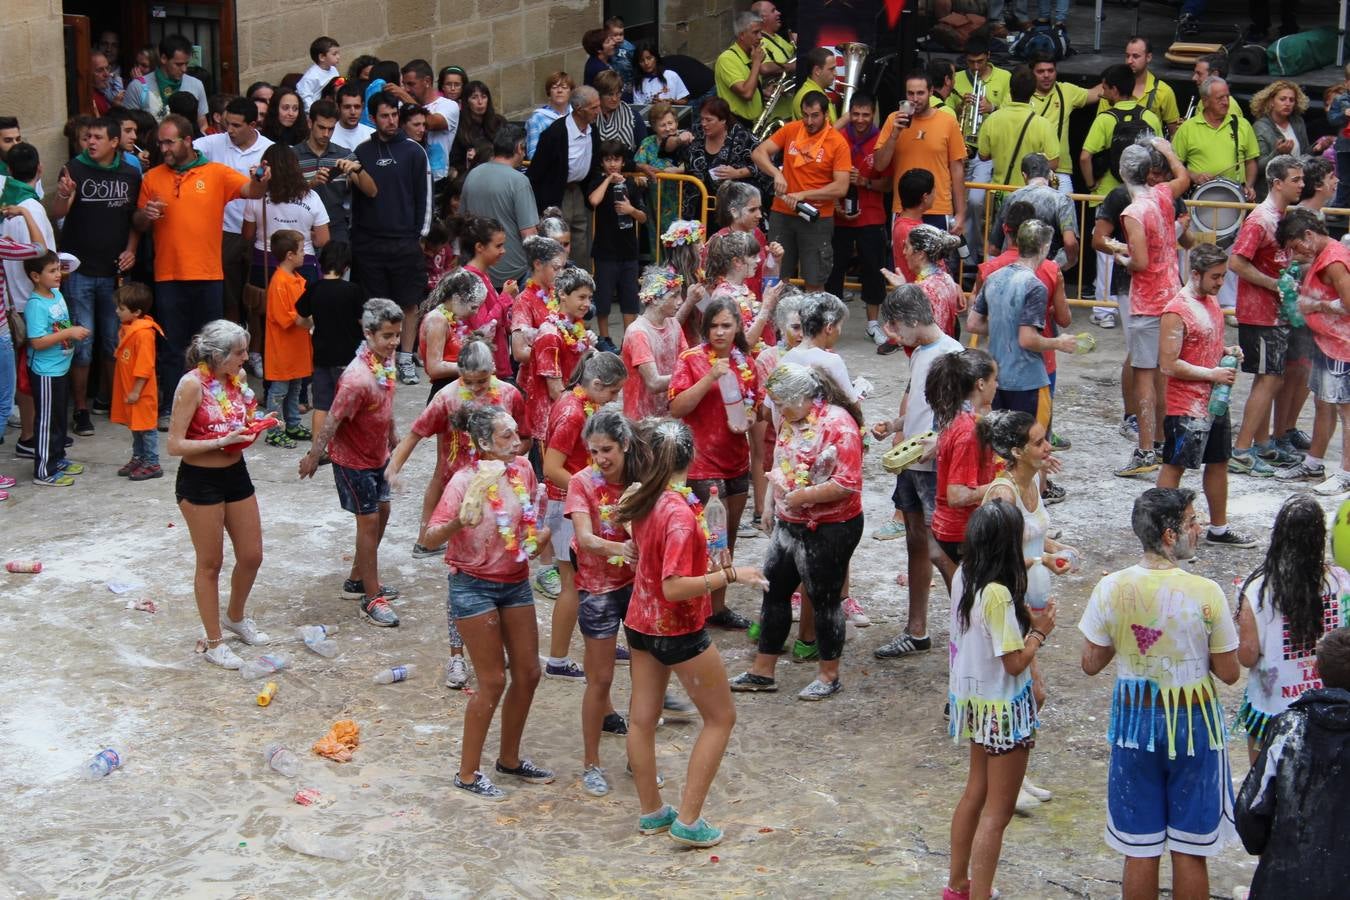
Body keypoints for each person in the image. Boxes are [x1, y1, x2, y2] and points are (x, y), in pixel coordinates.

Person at [1079, 487, 1240, 900]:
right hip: (1194, 728)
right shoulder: (1207, 593)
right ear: (1170, 535)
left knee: (1139, 848)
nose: (1199, 528)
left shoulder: (1110, 588)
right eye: (1191, 521)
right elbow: (1229, 673)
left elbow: (1091, 663)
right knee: (1189, 848)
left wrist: (1129, 632)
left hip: (1134, 726)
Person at [616, 417, 764, 847]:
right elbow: (674, 587)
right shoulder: (678, 511)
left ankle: (651, 811)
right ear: (691, 458)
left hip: (641, 623)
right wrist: (732, 576)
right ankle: (689, 819)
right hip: (675, 628)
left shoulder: (647, 498)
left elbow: (649, 558)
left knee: (642, 719)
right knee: (721, 718)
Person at [423, 403, 555, 802]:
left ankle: (510, 759)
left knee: (529, 672)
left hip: (514, 583)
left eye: (517, 434)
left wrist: (537, 542)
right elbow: (429, 538)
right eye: (506, 437)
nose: (518, 442)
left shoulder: (524, 472)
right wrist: (457, 523)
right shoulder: (463, 482)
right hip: (473, 586)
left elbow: (529, 530)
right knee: (493, 679)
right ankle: (467, 773)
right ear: (483, 443)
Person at [730, 363, 864, 700]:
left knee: (824, 598)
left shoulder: (838, 425)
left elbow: (847, 483)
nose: (778, 410)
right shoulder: (791, 422)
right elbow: (780, 466)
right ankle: (763, 670)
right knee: (773, 590)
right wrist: (771, 507)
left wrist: (805, 496)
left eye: (782, 403)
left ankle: (829, 674)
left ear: (805, 397)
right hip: (790, 522)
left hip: (831, 526)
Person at [945, 499, 1055, 900]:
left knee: (975, 792)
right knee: (998, 811)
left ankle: (957, 885)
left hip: (974, 703)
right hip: (1005, 710)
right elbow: (1014, 662)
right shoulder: (999, 597)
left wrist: (1035, 565)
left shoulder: (964, 576)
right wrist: (1040, 631)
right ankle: (982, 893)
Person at [132, 114, 269, 427]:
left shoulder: (217, 173)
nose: (163, 148)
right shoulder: (152, 177)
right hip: (168, 276)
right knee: (171, 348)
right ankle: (172, 407)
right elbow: (138, 223)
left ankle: (213, 405)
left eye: (169, 142)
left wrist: (262, 178)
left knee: (211, 348)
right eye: (160, 142)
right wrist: (146, 215)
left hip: (208, 276)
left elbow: (253, 191)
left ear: (187, 141)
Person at [298, 298, 405, 628]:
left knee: (383, 512)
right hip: (353, 460)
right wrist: (314, 456)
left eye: (398, 335)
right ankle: (371, 597)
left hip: (378, 455)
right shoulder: (356, 378)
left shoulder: (386, 364)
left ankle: (358, 579)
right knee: (369, 520)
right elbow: (332, 419)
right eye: (387, 336)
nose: (394, 343)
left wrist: (393, 437)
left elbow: (385, 406)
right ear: (368, 333)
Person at [167, 320, 267, 668]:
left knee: (252, 555)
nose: (245, 357)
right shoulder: (192, 385)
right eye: (240, 352)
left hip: (235, 474)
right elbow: (174, 444)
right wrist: (220, 442)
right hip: (200, 481)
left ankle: (234, 616)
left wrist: (256, 426)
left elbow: (234, 424)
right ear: (220, 355)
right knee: (211, 563)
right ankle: (213, 641)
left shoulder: (234, 382)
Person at [873, 284, 964, 658]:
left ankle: (970, 628)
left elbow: (968, 417)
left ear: (912, 320)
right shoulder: (922, 352)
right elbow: (924, 409)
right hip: (914, 462)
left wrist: (939, 445)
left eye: (895, 327)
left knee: (941, 549)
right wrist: (896, 426)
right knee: (916, 542)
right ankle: (917, 629)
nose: (893, 337)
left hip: (933, 468)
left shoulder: (952, 355)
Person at [1235, 626, 1350, 897]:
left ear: (1318, 672)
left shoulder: (1290, 726)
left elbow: (1250, 810)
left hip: (1287, 880)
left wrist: (1271, 848)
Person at [1155, 242, 1257, 549]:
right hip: (1186, 405)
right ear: (1196, 274)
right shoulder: (1177, 310)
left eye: (1223, 276)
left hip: (1214, 402)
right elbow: (1168, 364)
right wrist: (1212, 374)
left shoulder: (1211, 302)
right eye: (1216, 277)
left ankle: (1219, 528)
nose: (1220, 283)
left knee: (1219, 462)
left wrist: (1225, 353)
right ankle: (1160, 534)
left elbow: (1203, 346)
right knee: (1174, 467)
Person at [669, 296, 761, 630]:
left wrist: (750, 419)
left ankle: (717, 608)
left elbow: (757, 408)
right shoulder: (691, 359)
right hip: (702, 464)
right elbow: (677, 407)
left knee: (728, 539)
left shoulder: (745, 361)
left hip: (736, 461)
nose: (719, 332)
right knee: (710, 540)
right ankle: (697, 610)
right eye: (713, 325)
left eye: (726, 325)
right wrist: (709, 378)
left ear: (738, 328)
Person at [1234, 495, 1350, 761]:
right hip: (1329, 708)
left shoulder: (1257, 590)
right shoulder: (1342, 581)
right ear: (1320, 538)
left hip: (1272, 709)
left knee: (1266, 791)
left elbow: (1248, 657)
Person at [50, 116, 141, 432]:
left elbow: (134, 221)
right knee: (82, 344)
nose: (90, 142)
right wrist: (63, 194)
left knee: (113, 341)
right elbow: (58, 212)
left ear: (114, 142)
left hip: (115, 273)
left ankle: (109, 399)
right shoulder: (73, 169)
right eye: (88, 137)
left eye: (97, 137)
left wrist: (131, 249)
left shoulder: (130, 173)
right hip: (80, 272)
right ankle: (80, 409)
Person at [541, 352, 628, 683]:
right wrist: (590, 495)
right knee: (571, 584)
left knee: (585, 581)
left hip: (574, 503)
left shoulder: (578, 405)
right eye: (612, 392)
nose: (614, 399)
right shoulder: (573, 413)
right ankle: (558, 660)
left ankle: (603, 644)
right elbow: (551, 468)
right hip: (566, 507)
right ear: (594, 384)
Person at [568, 407, 641, 796]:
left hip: (637, 587)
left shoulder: (641, 478)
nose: (601, 459)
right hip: (597, 588)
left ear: (625, 445)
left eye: (608, 449)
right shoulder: (582, 482)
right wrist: (625, 548)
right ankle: (590, 763)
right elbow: (585, 539)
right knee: (600, 679)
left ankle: (638, 758)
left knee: (644, 679)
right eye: (595, 451)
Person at [1112, 141, 1191, 479]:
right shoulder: (1162, 195)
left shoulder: (1133, 212)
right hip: (1172, 293)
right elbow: (1184, 178)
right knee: (1163, 373)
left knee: (1146, 376)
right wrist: (1168, 150)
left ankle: (1146, 449)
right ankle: (1159, 441)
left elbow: (1140, 262)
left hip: (1148, 300)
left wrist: (1121, 256)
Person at [1229, 154, 1305, 477]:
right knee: (1268, 380)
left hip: (1275, 313)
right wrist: (1275, 284)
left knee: (1271, 379)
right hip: (1259, 314)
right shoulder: (1260, 219)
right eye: (1296, 180)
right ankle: (1242, 450)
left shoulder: (1282, 216)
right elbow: (1236, 262)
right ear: (1276, 183)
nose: (1302, 185)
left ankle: (1260, 445)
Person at [351, 91, 432, 387]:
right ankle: (379, 362)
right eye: (384, 116)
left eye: (394, 115)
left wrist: (419, 237)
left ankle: (406, 359)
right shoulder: (361, 151)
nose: (391, 120)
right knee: (375, 305)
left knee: (409, 304)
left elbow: (425, 196)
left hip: (405, 241)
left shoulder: (413, 151)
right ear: (372, 119)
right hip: (370, 243)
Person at [967, 220, 1078, 428]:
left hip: (997, 380)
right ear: (1044, 247)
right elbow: (1027, 339)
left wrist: (1004, 326)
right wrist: (1058, 343)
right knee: (1031, 448)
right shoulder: (1035, 286)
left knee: (1002, 450)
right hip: (1027, 381)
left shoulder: (995, 277)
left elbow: (973, 323)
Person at [193, 96, 274, 363]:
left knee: (255, 297)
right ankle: (231, 353)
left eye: (237, 126)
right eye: (227, 124)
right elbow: (186, 148)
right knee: (229, 296)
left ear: (253, 124)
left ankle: (256, 354)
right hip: (225, 232)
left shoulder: (269, 149)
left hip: (261, 232)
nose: (230, 131)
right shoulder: (212, 143)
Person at [1275, 208, 1350, 495]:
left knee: (1346, 411)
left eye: (1296, 247)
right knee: (1323, 403)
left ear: (1308, 235)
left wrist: (1316, 305)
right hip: (1326, 341)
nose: (1296, 254)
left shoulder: (1335, 260)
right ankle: (1313, 463)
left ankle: (1346, 472)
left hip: (1342, 346)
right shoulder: (1323, 256)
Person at [751, 93, 850, 293]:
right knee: (776, 277)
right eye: (805, 115)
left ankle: (812, 323)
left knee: (814, 279)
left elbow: (841, 187)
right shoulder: (792, 129)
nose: (809, 121)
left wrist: (805, 194)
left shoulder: (837, 142)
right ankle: (775, 322)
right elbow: (758, 153)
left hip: (816, 218)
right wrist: (776, 174)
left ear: (826, 115)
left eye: (815, 116)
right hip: (782, 212)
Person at [874, 70, 968, 244]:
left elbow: (957, 169)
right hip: (904, 208)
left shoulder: (948, 122)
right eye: (910, 93)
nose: (915, 98)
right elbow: (879, 165)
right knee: (902, 264)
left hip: (938, 207)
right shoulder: (893, 120)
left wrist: (961, 213)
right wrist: (894, 135)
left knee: (936, 266)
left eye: (920, 93)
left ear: (931, 92)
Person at [927, 348, 998, 572]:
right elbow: (956, 495)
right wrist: (1001, 485)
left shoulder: (959, 416)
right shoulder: (968, 430)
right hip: (963, 529)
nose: (997, 385)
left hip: (956, 526)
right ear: (980, 384)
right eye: (995, 379)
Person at [827, 92, 891, 335]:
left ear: (873, 115)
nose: (861, 119)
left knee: (873, 271)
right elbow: (825, 140)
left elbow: (888, 184)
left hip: (872, 215)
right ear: (848, 114)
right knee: (834, 270)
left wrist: (863, 181)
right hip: (839, 214)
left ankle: (873, 324)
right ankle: (831, 323)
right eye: (855, 114)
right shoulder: (839, 136)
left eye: (866, 115)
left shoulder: (881, 141)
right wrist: (836, 205)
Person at [22, 252, 88, 487]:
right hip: (45, 371)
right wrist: (69, 333)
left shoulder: (56, 294)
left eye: (59, 269)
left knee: (60, 417)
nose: (58, 274)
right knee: (47, 421)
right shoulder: (36, 305)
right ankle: (43, 470)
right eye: (52, 271)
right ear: (35, 276)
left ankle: (57, 458)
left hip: (60, 367)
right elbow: (37, 342)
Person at [521, 265, 597, 461]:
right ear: (563, 295)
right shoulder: (550, 335)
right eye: (581, 297)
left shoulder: (574, 328)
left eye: (589, 298)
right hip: (550, 426)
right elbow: (556, 391)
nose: (587, 304)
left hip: (571, 417)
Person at [296, 241, 365, 448]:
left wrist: (314, 321)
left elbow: (300, 320)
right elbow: (364, 322)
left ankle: (317, 448)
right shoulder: (353, 290)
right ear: (346, 266)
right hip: (348, 359)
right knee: (351, 404)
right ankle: (350, 446)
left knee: (321, 404)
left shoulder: (314, 288)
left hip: (321, 356)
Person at [526, 87, 603, 267]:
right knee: (557, 239)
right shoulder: (554, 134)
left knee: (581, 240)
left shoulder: (593, 130)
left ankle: (580, 280)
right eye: (593, 108)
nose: (598, 112)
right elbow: (536, 172)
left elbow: (599, 159)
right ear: (578, 108)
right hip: (557, 194)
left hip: (579, 191)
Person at [461, 124, 540, 288]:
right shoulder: (519, 181)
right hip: (513, 273)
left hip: (479, 269)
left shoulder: (473, 174)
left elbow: (462, 220)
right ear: (519, 148)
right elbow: (529, 234)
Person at [241, 143, 331, 287]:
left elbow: (247, 234)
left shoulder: (257, 195)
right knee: (302, 309)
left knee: (266, 308)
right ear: (296, 166)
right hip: (303, 264)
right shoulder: (311, 197)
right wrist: (308, 234)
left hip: (264, 264)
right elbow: (323, 240)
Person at [587, 139, 648, 351]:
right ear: (602, 162)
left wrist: (630, 210)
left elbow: (642, 217)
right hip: (605, 251)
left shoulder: (631, 185)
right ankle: (604, 338)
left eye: (616, 159)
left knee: (629, 297)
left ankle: (628, 339)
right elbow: (594, 201)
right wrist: (608, 181)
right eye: (608, 159)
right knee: (603, 297)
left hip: (628, 251)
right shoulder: (597, 182)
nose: (612, 164)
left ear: (623, 161)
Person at [293, 99, 377, 248]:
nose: (326, 134)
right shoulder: (293, 155)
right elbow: (283, 196)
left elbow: (371, 191)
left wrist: (358, 169)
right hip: (300, 228)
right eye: (321, 127)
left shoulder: (344, 154)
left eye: (331, 129)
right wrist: (310, 184)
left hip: (336, 228)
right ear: (309, 123)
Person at [1080, 64, 1165, 202]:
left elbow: (1085, 157)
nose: (1102, 92)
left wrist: (1091, 185)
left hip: (1107, 194)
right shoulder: (1150, 117)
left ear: (1114, 90)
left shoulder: (1104, 119)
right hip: (1142, 196)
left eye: (1105, 88)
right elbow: (1161, 156)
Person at [262, 230, 313, 449]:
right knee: (279, 390)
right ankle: (272, 429)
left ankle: (292, 423)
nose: (305, 254)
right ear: (290, 255)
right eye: (302, 250)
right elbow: (288, 318)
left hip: (297, 347)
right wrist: (312, 320)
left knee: (295, 387)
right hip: (283, 348)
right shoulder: (280, 283)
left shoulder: (295, 279)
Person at [108, 282, 163, 481]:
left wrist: (136, 391)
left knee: (146, 428)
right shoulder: (129, 328)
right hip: (131, 391)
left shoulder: (144, 334)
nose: (117, 311)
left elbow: (144, 368)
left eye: (121, 309)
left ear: (137, 311)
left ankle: (152, 462)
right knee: (136, 427)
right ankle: (139, 457)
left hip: (141, 393)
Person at [1173, 77, 1260, 202]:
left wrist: (1249, 185)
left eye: (1227, 96)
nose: (1226, 102)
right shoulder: (1187, 128)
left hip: (1236, 197)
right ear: (1205, 101)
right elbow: (1174, 164)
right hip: (1199, 198)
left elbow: (1250, 162)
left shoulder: (1243, 125)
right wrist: (1194, 176)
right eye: (1220, 98)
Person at [977, 65, 1059, 195]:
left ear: (1010, 90)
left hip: (999, 194)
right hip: (1031, 195)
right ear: (1033, 91)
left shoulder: (992, 119)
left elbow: (983, 155)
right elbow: (1054, 163)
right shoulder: (1043, 124)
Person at [987, 154, 1078, 270]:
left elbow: (994, 248)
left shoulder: (1011, 198)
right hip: (1047, 270)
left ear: (1024, 175)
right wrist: (1058, 266)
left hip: (1012, 269)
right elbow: (1070, 243)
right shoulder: (1063, 200)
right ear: (1049, 174)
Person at [1030, 53, 1102, 196]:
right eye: (1041, 71)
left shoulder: (1066, 90)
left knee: (1067, 217)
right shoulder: (1023, 93)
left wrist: (1124, 76)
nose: (1046, 75)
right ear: (1031, 73)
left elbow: (1096, 93)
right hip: (1030, 172)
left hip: (1060, 171)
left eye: (1051, 71)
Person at [622, 266, 688, 419]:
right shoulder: (638, 332)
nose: (681, 301)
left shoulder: (673, 324)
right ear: (656, 299)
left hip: (668, 413)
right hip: (641, 419)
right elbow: (654, 383)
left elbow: (686, 361)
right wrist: (695, 376)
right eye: (674, 295)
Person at [684, 98, 767, 216]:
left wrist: (737, 173)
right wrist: (678, 139)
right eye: (702, 119)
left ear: (723, 120)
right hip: (697, 204)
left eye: (708, 120)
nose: (703, 123)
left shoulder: (742, 136)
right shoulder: (696, 131)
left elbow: (765, 164)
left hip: (732, 206)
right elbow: (667, 148)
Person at [417, 268, 487, 399]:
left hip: (453, 389)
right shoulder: (437, 320)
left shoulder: (448, 319)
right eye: (473, 307)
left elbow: (423, 353)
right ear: (456, 298)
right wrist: (473, 367)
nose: (476, 312)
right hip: (445, 392)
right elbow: (434, 368)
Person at [1252, 81, 1331, 195]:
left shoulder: (1297, 122)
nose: (1287, 103)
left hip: (1297, 186)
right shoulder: (1260, 127)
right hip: (1272, 191)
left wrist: (1316, 149)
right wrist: (1278, 153)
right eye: (1283, 99)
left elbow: (1303, 155)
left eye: (1291, 100)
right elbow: (1259, 167)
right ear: (1271, 102)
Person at [401, 59, 460, 205]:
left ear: (427, 81)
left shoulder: (448, 105)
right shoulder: (404, 104)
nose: (407, 89)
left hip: (437, 180)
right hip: (408, 178)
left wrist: (404, 98)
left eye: (411, 84)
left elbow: (433, 122)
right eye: (404, 84)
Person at [1098, 37, 1181, 136]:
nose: (1129, 61)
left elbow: (1174, 134)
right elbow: (1100, 129)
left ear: (1149, 57)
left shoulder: (1164, 91)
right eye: (1127, 56)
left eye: (1135, 56)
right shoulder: (1112, 88)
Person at [123, 34, 208, 131]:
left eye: (186, 64)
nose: (184, 69)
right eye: (178, 64)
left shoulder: (196, 85)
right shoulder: (137, 87)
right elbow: (128, 127)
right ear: (163, 58)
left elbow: (203, 124)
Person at [898, 224, 965, 337]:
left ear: (920, 254)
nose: (904, 252)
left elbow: (915, 335)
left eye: (907, 247)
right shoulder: (946, 278)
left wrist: (901, 290)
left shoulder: (923, 289)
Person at [714, 10, 767, 127]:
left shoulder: (750, 56)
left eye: (760, 32)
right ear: (742, 35)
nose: (760, 37)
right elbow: (747, 93)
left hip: (755, 124)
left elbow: (750, 85)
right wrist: (757, 63)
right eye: (755, 32)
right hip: (738, 126)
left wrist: (762, 93)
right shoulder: (726, 59)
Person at [451, 82, 507, 175]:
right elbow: (455, 161)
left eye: (484, 97)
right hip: (471, 175)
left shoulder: (499, 122)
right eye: (474, 97)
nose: (480, 102)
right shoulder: (459, 126)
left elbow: (509, 148)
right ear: (466, 101)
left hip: (500, 171)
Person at [593, 70, 647, 162]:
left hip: (630, 169)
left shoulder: (633, 116)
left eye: (618, 93)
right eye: (610, 94)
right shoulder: (591, 117)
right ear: (599, 94)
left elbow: (644, 147)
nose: (614, 99)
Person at [525, 72, 574, 160]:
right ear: (549, 92)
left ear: (570, 91)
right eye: (554, 87)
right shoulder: (537, 119)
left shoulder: (576, 115)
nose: (559, 91)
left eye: (564, 87)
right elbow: (532, 154)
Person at [791, 48, 838, 122]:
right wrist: (844, 119)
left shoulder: (816, 91)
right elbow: (821, 133)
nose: (835, 73)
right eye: (831, 69)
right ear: (817, 71)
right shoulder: (807, 95)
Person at [297, 36, 341, 111]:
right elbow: (304, 95)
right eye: (334, 54)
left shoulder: (333, 70)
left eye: (338, 53)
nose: (338, 57)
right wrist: (314, 111)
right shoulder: (311, 76)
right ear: (322, 57)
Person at [333, 83, 374, 152]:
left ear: (363, 106)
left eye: (357, 107)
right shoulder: (328, 135)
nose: (353, 112)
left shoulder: (372, 135)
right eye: (347, 107)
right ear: (338, 107)